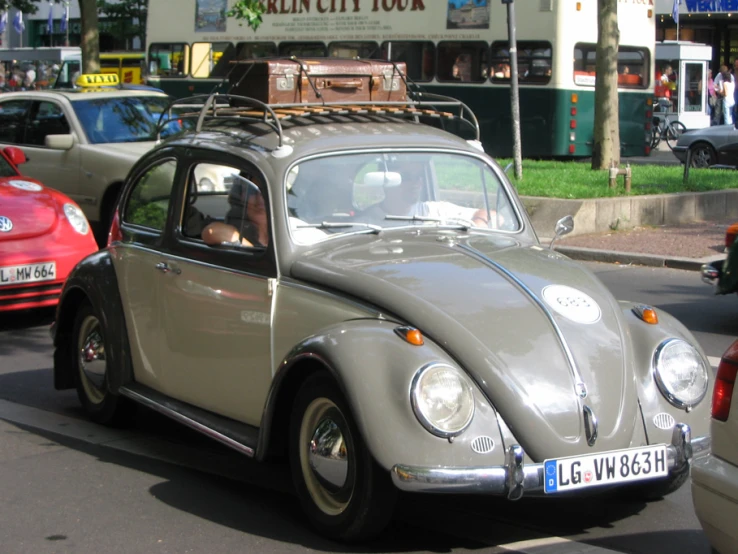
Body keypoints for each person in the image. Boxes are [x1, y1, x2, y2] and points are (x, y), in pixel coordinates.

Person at [360, 158, 497, 227]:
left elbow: (493, 215)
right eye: (407, 177)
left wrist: (475, 227)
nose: (416, 183)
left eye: (419, 176)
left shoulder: (433, 211)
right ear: (387, 182)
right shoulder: (366, 224)